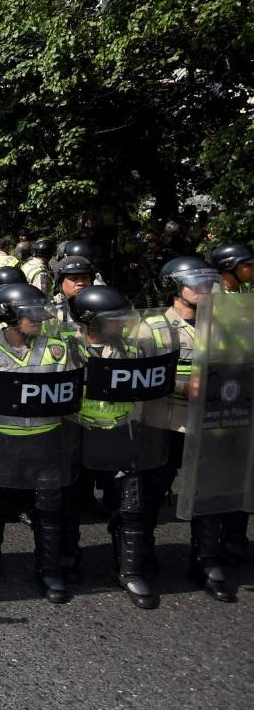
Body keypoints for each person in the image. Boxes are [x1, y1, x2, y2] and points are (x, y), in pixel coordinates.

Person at [140, 256, 235, 603]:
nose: (203, 289)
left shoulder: (223, 326)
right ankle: (141, 549)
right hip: (163, 420)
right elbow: (136, 376)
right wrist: (180, 388)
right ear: (173, 287)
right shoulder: (151, 327)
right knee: (153, 490)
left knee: (207, 493)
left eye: (207, 283)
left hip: (210, 422)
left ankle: (205, 559)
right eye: (194, 283)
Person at [0, 284, 75, 603]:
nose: (39, 320)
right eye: (31, 314)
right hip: (1, 437)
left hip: (46, 439)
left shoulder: (57, 348)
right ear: (9, 315)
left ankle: (49, 568)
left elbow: (72, 390)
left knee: (47, 507)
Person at [63, 286, 160, 608]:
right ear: (93, 321)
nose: (121, 324)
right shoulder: (65, 349)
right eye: (113, 319)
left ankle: (130, 570)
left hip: (121, 433)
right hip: (76, 435)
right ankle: (66, 561)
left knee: (131, 508)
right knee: (69, 504)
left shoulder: (132, 350)